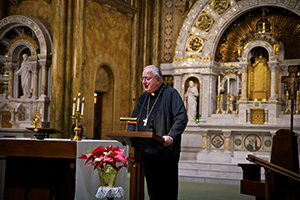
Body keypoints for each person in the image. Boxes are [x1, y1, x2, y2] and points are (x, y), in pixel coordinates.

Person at [128, 65, 188, 200]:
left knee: (167, 193)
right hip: (147, 154)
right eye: (142, 78)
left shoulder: (171, 94)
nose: (144, 82)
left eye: (147, 78)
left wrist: (171, 136)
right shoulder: (143, 98)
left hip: (165, 154)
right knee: (153, 192)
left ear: (158, 79)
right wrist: (130, 134)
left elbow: (181, 118)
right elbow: (133, 120)